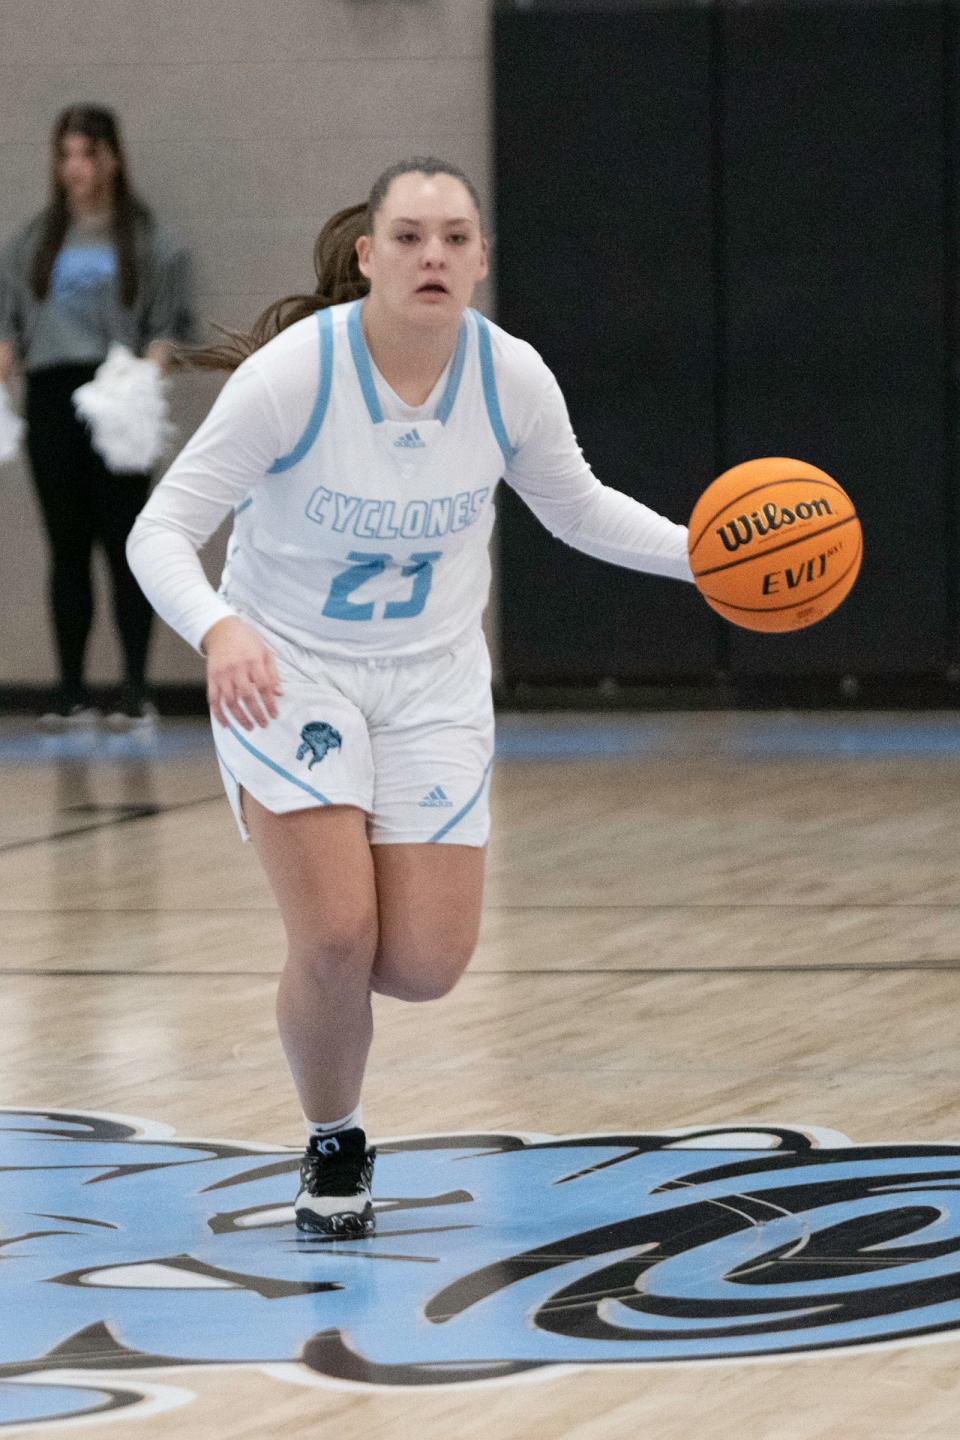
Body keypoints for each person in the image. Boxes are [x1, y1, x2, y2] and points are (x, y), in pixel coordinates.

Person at [126, 156, 695, 1237]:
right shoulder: (296, 374)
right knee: (337, 936)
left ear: (479, 261)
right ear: (368, 256)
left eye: (454, 238)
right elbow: (159, 528)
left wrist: (698, 558)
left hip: (432, 677)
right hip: (288, 668)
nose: (432, 255)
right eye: (410, 236)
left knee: (424, 966)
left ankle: (332, 1007)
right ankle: (334, 1141)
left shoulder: (509, 375)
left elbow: (574, 508)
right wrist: (220, 627)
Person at [0, 104, 195, 728]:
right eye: (65, 156)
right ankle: (71, 691)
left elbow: (167, 328)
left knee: (124, 541)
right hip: (53, 394)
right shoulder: (33, 241)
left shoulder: (147, 239)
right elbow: (10, 327)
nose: (75, 169)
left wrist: (150, 367)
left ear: (112, 156)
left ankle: (136, 689)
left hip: (118, 396)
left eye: (86, 154)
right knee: (66, 545)